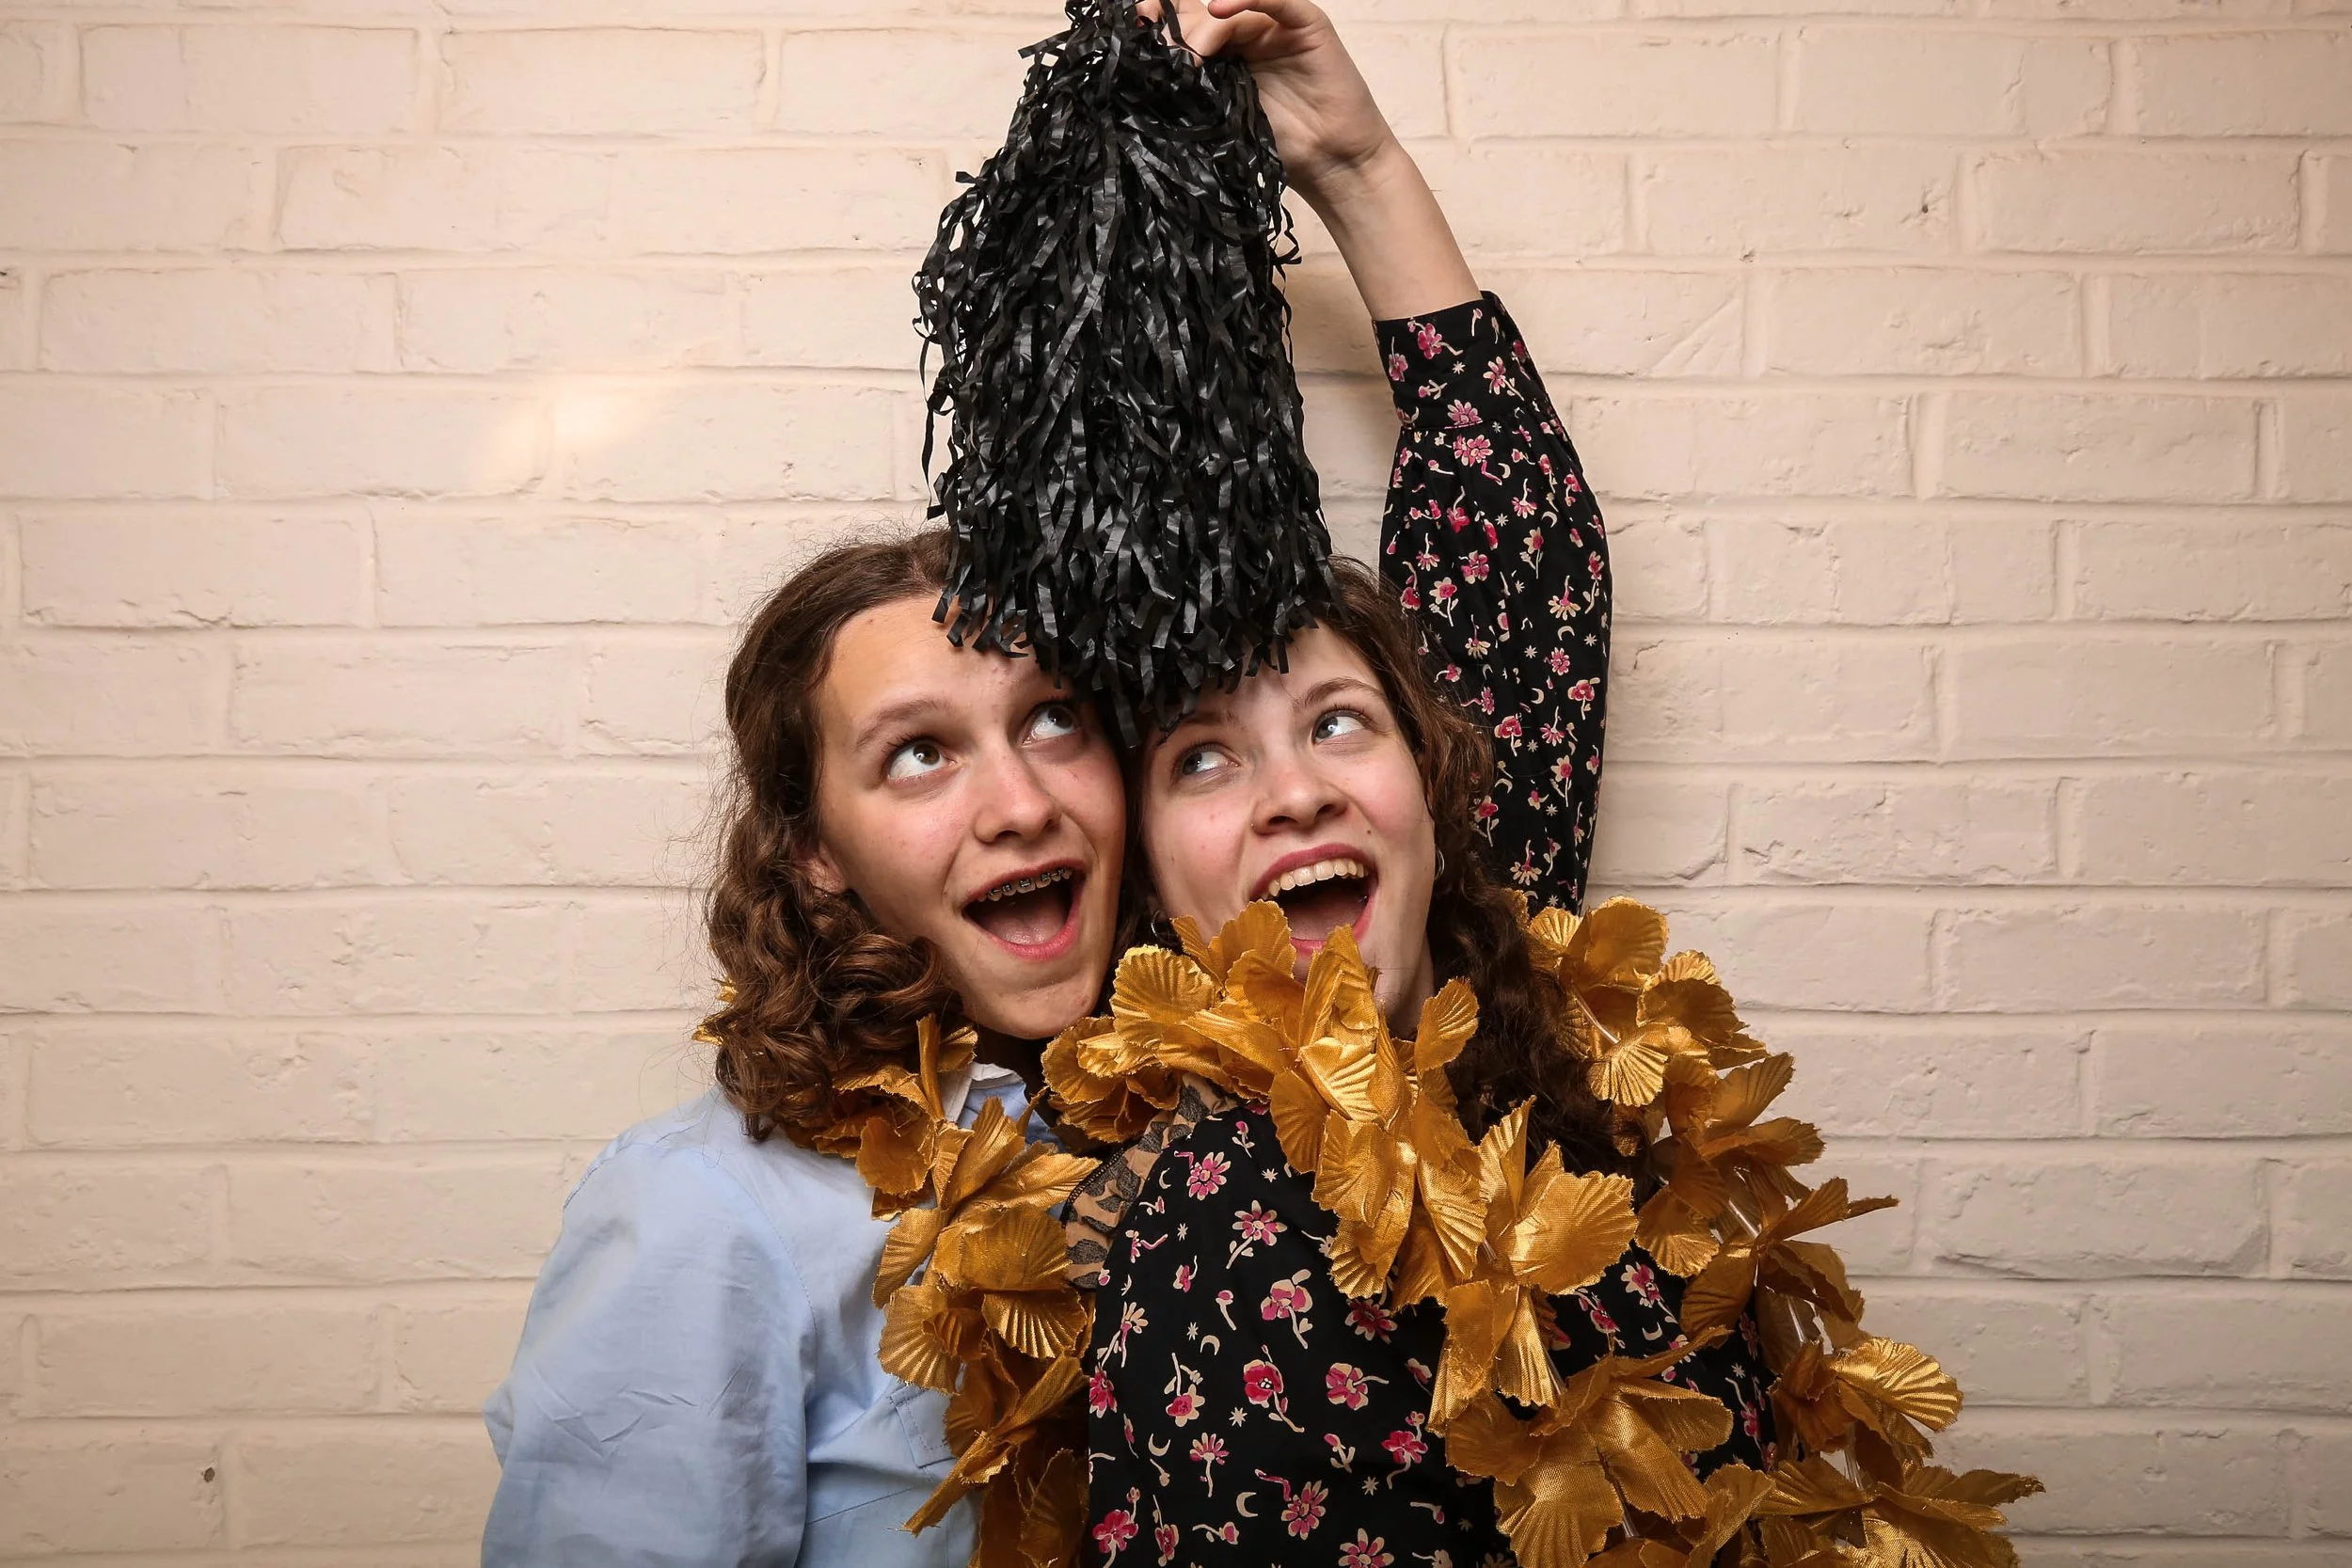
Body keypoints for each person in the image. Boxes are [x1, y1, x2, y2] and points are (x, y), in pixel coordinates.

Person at [482, 533, 1126, 1565]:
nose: (1023, 805)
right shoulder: (698, 1211)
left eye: (1053, 719)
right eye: (919, 751)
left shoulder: (1182, 1139)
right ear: (816, 850)